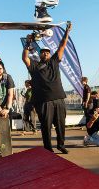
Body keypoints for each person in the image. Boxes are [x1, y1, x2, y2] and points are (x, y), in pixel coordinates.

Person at [22, 22, 72, 153]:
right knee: (46, 126)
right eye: (43, 52)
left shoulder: (55, 61)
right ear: (40, 54)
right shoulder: (34, 66)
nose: (45, 54)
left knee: (61, 125)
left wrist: (67, 32)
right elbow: (24, 58)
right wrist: (28, 44)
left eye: (47, 52)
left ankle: (61, 145)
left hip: (59, 99)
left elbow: (62, 46)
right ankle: (48, 148)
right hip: (44, 102)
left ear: (50, 54)